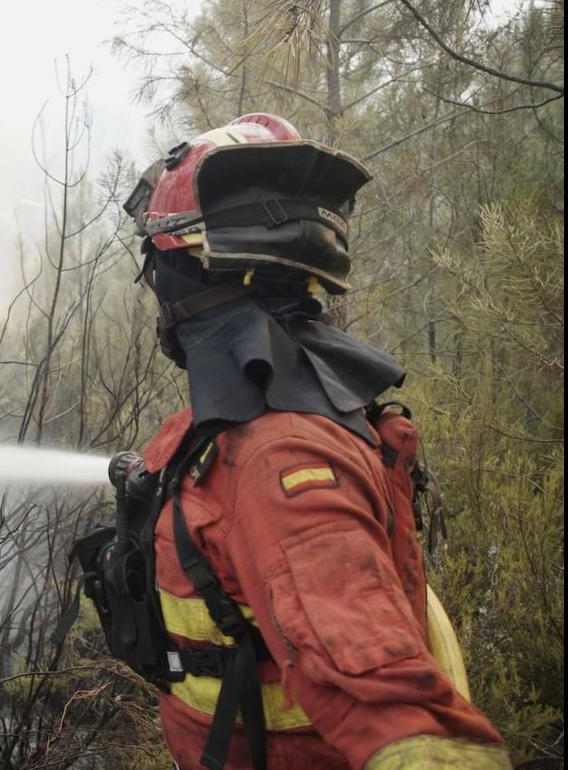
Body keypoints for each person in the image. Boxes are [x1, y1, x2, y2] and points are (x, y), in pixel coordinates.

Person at [80, 113, 511, 770]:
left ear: (197, 271)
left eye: (158, 270)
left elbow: (388, 700)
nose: (154, 294)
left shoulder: (284, 461)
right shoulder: (236, 426)